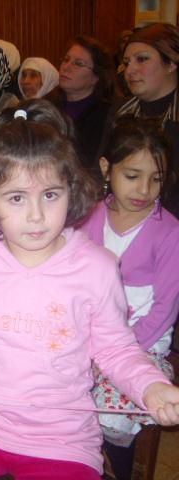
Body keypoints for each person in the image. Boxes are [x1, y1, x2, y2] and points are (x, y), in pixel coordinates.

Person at [0, 101, 179, 480]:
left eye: (50, 195)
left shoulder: (97, 267)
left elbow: (115, 349)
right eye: (16, 197)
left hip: (63, 440)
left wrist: (151, 387)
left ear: (71, 190)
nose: (36, 215)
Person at [83, 116, 179, 480]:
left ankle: (117, 467)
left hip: (140, 346)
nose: (145, 189)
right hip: (85, 335)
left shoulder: (169, 233)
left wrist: (110, 353)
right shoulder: (89, 216)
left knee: (111, 412)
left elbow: (164, 311)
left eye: (156, 178)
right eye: (133, 175)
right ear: (106, 167)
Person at [116, 22, 179, 217]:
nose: (129, 70)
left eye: (142, 59)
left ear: (171, 64)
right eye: (127, 62)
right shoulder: (119, 111)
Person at [47, 35, 114, 177]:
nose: (66, 67)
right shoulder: (48, 105)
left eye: (78, 64)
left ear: (96, 77)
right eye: (66, 60)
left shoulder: (107, 115)